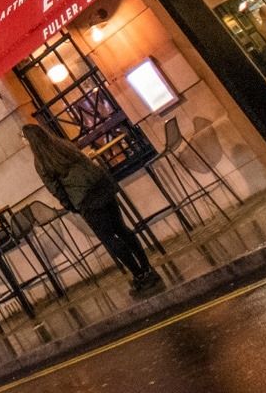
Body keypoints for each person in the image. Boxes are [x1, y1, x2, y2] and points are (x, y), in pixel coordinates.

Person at [22, 116, 162, 297]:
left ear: (32, 141)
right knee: (122, 228)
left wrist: (72, 206)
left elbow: (56, 189)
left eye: (23, 138)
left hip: (87, 199)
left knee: (109, 238)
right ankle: (147, 269)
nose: (23, 141)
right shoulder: (63, 145)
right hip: (102, 185)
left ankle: (140, 276)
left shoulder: (41, 162)